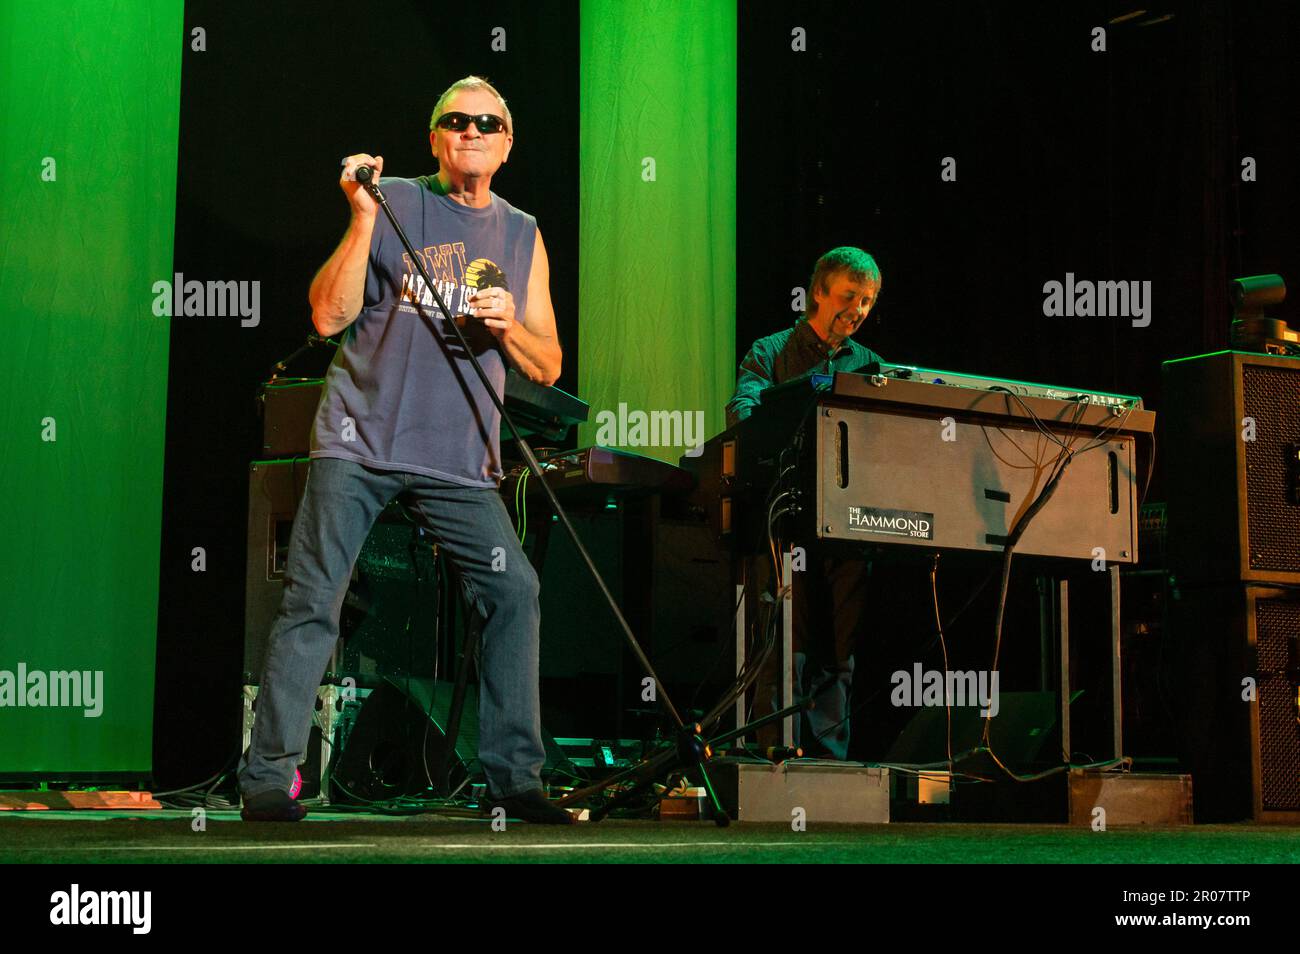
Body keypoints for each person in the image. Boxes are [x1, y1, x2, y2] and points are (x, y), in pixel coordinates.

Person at [238, 76, 572, 824]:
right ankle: (268, 778)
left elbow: (547, 365)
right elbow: (327, 317)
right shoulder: (393, 203)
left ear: (508, 142)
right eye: (455, 119)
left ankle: (515, 778)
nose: (471, 129)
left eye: (488, 121)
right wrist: (360, 218)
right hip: (360, 441)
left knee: (513, 590)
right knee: (314, 597)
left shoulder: (522, 232)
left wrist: (509, 325)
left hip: (458, 459)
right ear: (434, 138)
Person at [726, 246, 883, 760]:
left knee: (838, 639)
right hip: (783, 519)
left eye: (867, 301)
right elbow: (746, 412)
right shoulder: (771, 351)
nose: (857, 310)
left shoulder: (871, 365)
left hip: (848, 521)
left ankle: (829, 758)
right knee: (783, 633)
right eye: (848, 297)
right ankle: (773, 746)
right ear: (817, 292)